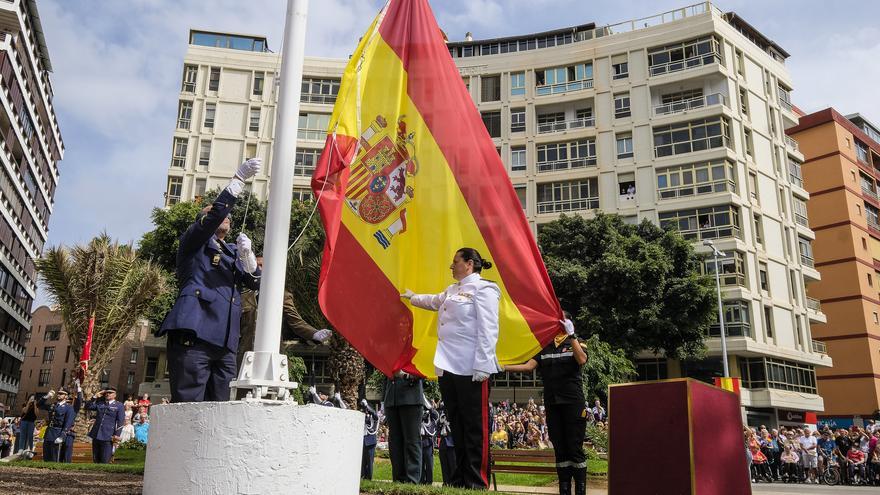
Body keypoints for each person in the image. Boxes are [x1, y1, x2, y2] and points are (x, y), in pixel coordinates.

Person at [159, 158, 263, 402]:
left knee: (221, 406)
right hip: (195, 333)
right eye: (216, 214)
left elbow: (256, 283)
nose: (225, 218)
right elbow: (215, 215)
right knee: (189, 404)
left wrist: (247, 257)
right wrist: (237, 181)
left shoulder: (231, 252)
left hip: (226, 341)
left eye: (227, 217)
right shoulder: (194, 242)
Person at [402, 247, 501, 490]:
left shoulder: (484, 289)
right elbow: (434, 301)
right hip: (448, 365)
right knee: (457, 423)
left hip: (471, 367)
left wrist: (483, 364)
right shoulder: (452, 290)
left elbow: (489, 329)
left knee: (474, 426)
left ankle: (477, 479)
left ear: (469, 264)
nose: (451, 266)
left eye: (455, 262)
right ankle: (460, 477)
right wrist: (413, 297)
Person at [504, 314, 588, 495]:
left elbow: (581, 359)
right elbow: (528, 367)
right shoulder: (545, 346)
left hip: (573, 402)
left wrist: (571, 335)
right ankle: (564, 489)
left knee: (574, 447)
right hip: (553, 403)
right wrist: (501, 366)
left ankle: (580, 490)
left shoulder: (576, 342)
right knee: (559, 447)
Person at [383, 371, 424, 484]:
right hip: (391, 399)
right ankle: (398, 479)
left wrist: (405, 375)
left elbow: (422, 370)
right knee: (395, 442)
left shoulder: (415, 352)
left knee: (412, 441)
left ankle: (412, 480)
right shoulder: (390, 353)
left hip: (411, 397)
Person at [38, 381, 83, 463]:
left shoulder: (68, 408)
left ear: (66, 396)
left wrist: (62, 436)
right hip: (49, 432)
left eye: (61, 394)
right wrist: (47, 396)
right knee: (46, 455)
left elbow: (68, 422)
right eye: (58, 393)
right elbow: (39, 405)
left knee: (55, 457)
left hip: (58, 432)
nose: (59, 395)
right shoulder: (53, 405)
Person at [85, 386, 126, 464]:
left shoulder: (119, 405)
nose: (108, 394)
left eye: (110, 393)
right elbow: (88, 406)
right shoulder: (100, 404)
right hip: (96, 433)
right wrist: (95, 397)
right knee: (96, 459)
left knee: (105, 459)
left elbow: (120, 421)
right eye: (106, 393)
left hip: (108, 435)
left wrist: (117, 435)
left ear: (115, 395)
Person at [420, 397, 439, 485]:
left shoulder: (430, 413)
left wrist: (430, 408)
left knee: (429, 463)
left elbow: (436, 416)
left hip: (428, 440)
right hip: (419, 440)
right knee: (420, 463)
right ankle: (421, 480)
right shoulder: (419, 411)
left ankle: (429, 481)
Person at [437, 401, 456, 487]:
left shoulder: (454, 417)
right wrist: (440, 422)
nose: (443, 411)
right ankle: (446, 482)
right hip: (443, 443)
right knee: (444, 464)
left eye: (444, 409)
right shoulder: (441, 417)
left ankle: (453, 483)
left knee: (453, 465)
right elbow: (438, 431)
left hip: (452, 443)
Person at [360, 399, 379, 480]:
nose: (365, 410)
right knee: (362, 461)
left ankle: (369, 478)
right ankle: (362, 476)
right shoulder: (362, 416)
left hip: (370, 441)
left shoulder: (373, 417)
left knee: (369, 461)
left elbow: (375, 415)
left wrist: (366, 405)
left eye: (367, 409)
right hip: (362, 441)